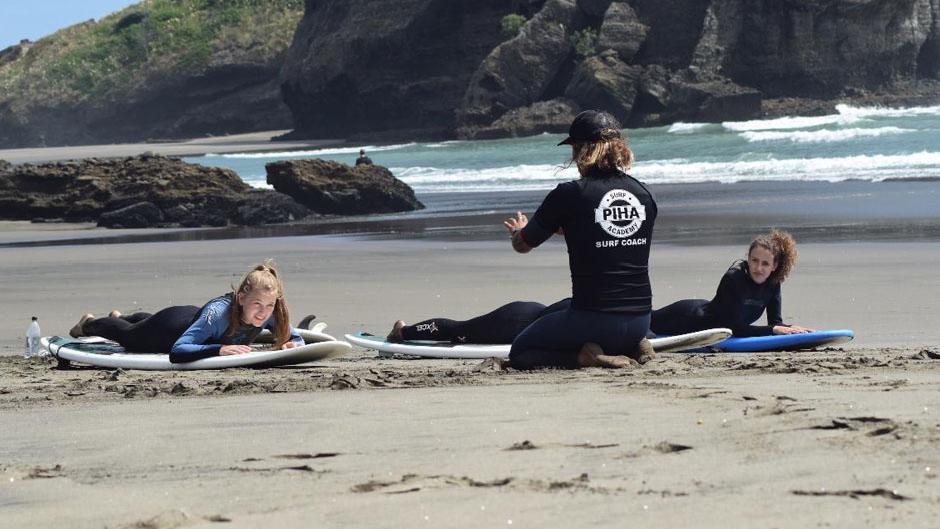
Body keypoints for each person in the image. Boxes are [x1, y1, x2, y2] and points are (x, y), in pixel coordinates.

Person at [504, 110, 658, 370]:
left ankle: (586, 357)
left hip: (593, 319)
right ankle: (636, 345)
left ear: (580, 151)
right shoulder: (643, 195)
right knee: (605, 325)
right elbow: (597, 230)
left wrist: (520, 231)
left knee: (521, 351)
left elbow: (523, 245)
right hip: (641, 319)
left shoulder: (569, 195)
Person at [68, 262, 303, 363]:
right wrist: (219, 349)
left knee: (140, 322)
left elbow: (294, 337)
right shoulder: (218, 315)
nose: (263, 313)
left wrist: (292, 344)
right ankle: (89, 323)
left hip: (191, 318)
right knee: (129, 336)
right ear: (241, 298)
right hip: (169, 330)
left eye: (269, 305)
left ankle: (121, 315)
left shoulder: (269, 312)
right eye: (257, 305)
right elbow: (178, 351)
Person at [650, 229, 814, 337]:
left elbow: (775, 323)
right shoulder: (734, 279)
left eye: (765, 264)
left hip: (716, 324)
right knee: (648, 321)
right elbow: (732, 328)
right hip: (688, 318)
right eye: (754, 261)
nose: (758, 268)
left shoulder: (773, 283)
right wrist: (773, 330)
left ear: (774, 266)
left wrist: (792, 329)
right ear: (748, 259)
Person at [387, 298, 572, 344]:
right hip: (515, 323)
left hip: (531, 313)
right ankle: (403, 331)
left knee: (461, 329)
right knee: (459, 331)